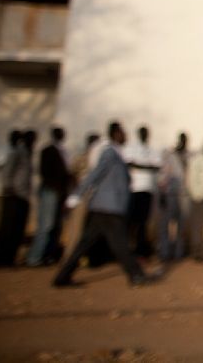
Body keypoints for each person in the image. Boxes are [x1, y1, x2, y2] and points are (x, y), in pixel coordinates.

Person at [53, 122, 152, 287]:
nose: (125, 135)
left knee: (85, 243)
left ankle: (62, 276)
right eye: (122, 132)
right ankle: (136, 275)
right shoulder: (109, 153)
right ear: (115, 134)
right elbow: (95, 174)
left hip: (104, 207)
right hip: (108, 207)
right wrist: (75, 197)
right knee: (120, 243)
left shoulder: (117, 154)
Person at [27, 126, 71, 266]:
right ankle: (34, 258)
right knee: (45, 225)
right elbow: (45, 172)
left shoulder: (62, 151)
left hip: (59, 193)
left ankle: (48, 255)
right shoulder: (48, 150)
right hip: (50, 192)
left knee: (56, 226)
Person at [0, 130, 34, 266]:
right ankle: (2, 258)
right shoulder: (17, 152)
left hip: (22, 195)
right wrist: (8, 187)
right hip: (14, 194)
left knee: (17, 229)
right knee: (8, 228)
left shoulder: (26, 153)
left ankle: (9, 257)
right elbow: (7, 170)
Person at [123, 125, 160, 257]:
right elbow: (129, 164)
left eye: (147, 133)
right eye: (143, 133)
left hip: (148, 190)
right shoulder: (131, 148)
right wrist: (147, 166)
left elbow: (157, 167)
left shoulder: (152, 150)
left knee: (143, 222)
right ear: (139, 134)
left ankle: (141, 249)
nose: (145, 135)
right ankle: (127, 249)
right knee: (132, 221)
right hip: (134, 189)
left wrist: (140, 166)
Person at [157, 132, 188, 262]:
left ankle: (177, 252)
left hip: (181, 194)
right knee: (165, 224)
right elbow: (163, 174)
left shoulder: (186, 156)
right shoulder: (169, 155)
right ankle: (165, 252)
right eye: (182, 141)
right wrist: (162, 192)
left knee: (180, 224)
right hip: (169, 193)